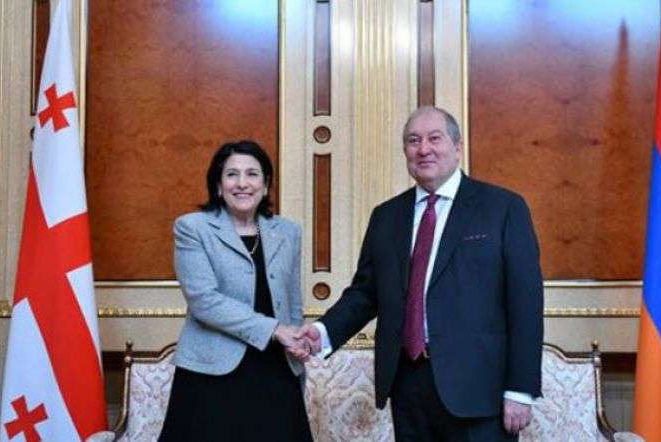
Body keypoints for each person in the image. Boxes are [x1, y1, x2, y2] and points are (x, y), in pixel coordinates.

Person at [293, 106, 544, 441]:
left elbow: (525, 303)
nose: (423, 149)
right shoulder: (386, 216)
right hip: (408, 386)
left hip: (479, 391)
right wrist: (323, 332)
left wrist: (521, 388)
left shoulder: (502, 208)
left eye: (434, 138)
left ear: (458, 146)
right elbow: (366, 293)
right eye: (413, 141)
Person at [159, 140, 313, 441]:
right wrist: (275, 330)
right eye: (232, 174)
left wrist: (297, 340)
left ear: (265, 185)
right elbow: (204, 301)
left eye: (252, 174)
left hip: (276, 371)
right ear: (218, 185)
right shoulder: (193, 228)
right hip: (212, 374)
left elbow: (293, 301)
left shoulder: (288, 231)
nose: (242, 183)